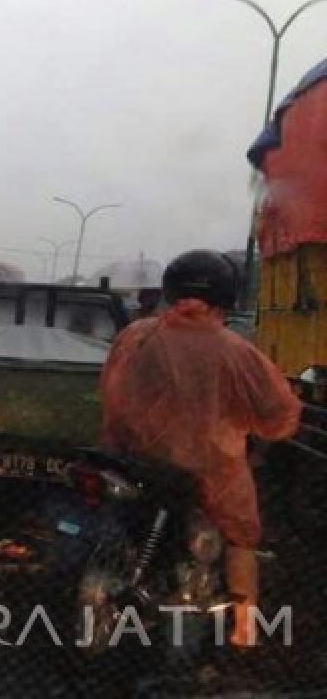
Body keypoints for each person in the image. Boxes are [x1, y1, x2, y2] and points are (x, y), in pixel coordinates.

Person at [99, 250, 301, 647]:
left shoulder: (134, 336)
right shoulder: (236, 351)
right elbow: (278, 416)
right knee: (242, 538)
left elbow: (110, 392)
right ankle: (244, 631)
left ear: (169, 290)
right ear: (227, 295)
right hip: (207, 470)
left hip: (128, 461)